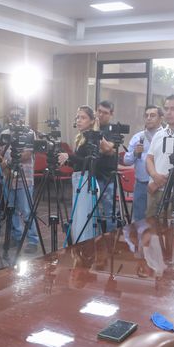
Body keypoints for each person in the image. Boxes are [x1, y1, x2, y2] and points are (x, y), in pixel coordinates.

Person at [0, 107, 39, 253]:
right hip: (8, 177)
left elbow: (27, 154)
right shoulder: (4, 133)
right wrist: (3, 163)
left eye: (18, 115)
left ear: (23, 117)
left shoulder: (29, 133)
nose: (15, 118)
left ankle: (33, 240)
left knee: (26, 211)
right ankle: (16, 237)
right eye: (12, 115)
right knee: (11, 210)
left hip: (24, 178)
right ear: (8, 117)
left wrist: (8, 163)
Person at [59, 106, 102, 243]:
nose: (79, 120)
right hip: (78, 179)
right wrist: (67, 161)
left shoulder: (93, 138)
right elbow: (79, 164)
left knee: (83, 222)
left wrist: (70, 157)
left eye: (83, 117)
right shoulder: (80, 138)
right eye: (77, 117)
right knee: (77, 220)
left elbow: (90, 162)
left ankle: (84, 251)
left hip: (87, 182)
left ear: (91, 121)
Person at [123, 105, 164, 221]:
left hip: (160, 185)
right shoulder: (138, 137)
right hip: (141, 185)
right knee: (139, 220)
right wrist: (135, 153)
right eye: (146, 116)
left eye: (152, 115)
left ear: (161, 118)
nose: (149, 118)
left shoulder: (166, 137)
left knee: (158, 220)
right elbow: (126, 160)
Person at [94, 100, 122, 228]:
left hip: (107, 177)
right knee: (93, 212)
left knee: (109, 211)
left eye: (105, 113)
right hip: (92, 175)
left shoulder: (113, 130)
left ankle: (111, 242)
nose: (101, 115)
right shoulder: (90, 127)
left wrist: (97, 133)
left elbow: (106, 148)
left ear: (111, 114)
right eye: (99, 111)